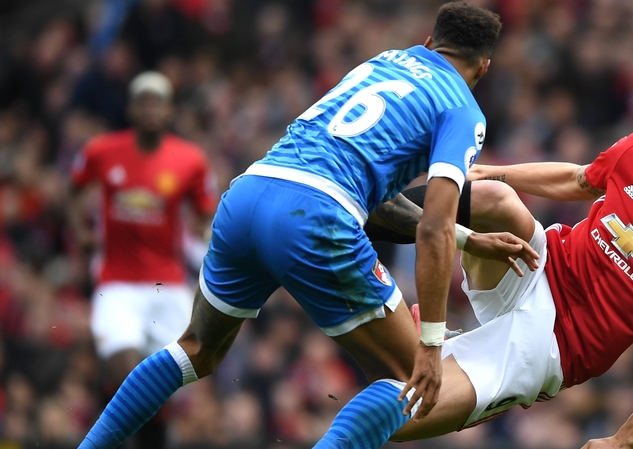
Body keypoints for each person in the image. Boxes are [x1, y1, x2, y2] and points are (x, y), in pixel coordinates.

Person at [78, 3, 537, 449]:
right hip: (315, 217)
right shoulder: (463, 110)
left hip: (250, 193)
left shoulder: (382, 62)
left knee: (196, 349)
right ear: (484, 68)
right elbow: (432, 229)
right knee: (409, 380)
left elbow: (371, 194)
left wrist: (468, 236)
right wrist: (432, 344)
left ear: (428, 42)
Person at [365, 86, 633, 448]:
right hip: (539, 264)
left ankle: (474, 377)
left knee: (404, 413)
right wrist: (490, 171)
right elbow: (581, 181)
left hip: (559, 342)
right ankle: (359, 219)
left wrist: (625, 439)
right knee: (494, 196)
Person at [68, 71, 217, 448]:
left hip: (167, 285)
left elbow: (205, 212)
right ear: (132, 109)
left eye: (158, 102)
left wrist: (203, 232)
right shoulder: (102, 151)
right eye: (143, 101)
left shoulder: (191, 160)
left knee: (163, 388)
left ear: (169, 111)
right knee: (126, 370)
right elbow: (72, 191)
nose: (151, 109)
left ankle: (151, 439)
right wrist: (81, 232)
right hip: (116, 283)